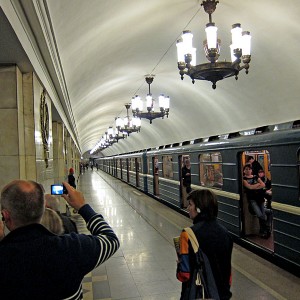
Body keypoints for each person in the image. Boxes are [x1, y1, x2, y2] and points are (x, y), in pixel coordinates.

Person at [0, 180, 119, 299]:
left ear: (5, 216)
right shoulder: (71, 248)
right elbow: (110, 239)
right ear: (43, 209)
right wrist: (82, 206)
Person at [177, 189, 233, 300]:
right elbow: (229, 274)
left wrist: (180, 262)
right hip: (222, 293)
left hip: (198, 294)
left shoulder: (187, 234)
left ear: (199, 208)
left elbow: (184, 275)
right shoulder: (226, 234)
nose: (188, 208)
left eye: (191, 205)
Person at [243, 164, 271, 238]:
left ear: (251, 170)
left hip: (260, 198)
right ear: (244, 170)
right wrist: (257, 185)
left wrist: (254, 186)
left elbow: (263, 185)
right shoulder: (244, 179)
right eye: (246, 169)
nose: (248, 170)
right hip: (252, 200)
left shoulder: (256, 176)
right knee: (260, 214)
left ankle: (263, 230)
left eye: (249, 169)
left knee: (263, 214)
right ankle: (266, 229)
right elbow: (249, 187)